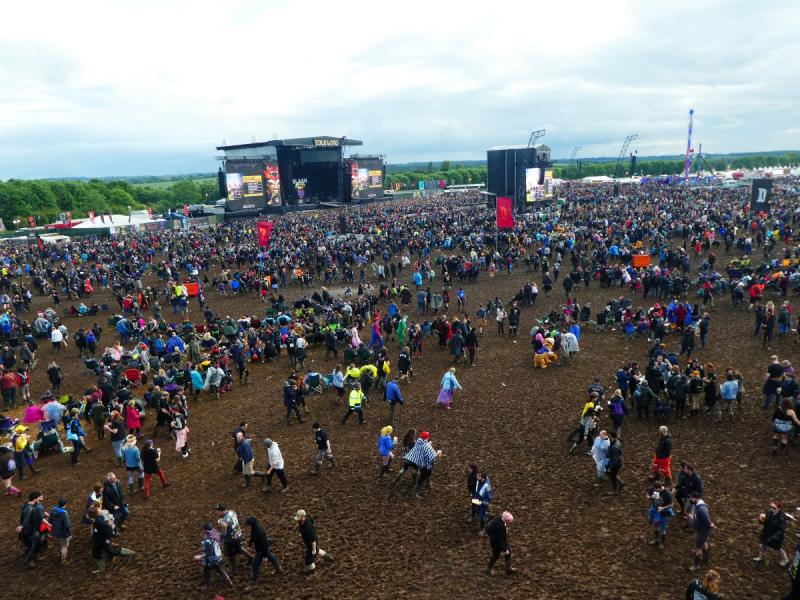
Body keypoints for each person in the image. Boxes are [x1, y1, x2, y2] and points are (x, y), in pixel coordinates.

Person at [91, 505, 134, 573]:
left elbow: (108, 530)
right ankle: (101, 567)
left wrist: (108, 538)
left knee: (111, 551)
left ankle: (129, 553)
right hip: (99, 540)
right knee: (96, 552)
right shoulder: (97, 520)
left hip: (103, 540)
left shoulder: (98, 521)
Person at [244, 516, 281, 588]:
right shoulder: (254, 528)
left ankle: (255, 582)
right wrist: (249, 545)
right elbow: (252, 536)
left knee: (255, 566)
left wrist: (264, 556)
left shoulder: (260, 532)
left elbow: (265, 544)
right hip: (260, 548)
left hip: (262, 550)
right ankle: (278, 569)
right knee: (272, 558)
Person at [215, 503, 253, 573]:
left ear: (222, 511)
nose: (216, 512)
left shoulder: (223, 521)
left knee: (230, 554)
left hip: (231, 539)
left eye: (218, 511)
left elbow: (224, 534)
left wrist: (218, 534)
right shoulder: (232, 512)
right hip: (238, 534)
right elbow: (234, 515)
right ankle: (250, 557)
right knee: (238, 548)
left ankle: (234, 569)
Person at [295, 509, 333, 574]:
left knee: (308, 561)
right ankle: (328, 557)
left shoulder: (308, 527)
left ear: (303, 517)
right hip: (311, 542)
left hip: (312, 543)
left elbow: (313, 540)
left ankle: (313, 572)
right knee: (317, 549)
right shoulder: (303, 521)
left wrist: (313, 550)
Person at [198, 522, 233, 591]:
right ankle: (229, 581)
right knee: (220, 569)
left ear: (205, 530)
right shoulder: (215, 533)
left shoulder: (208, 540)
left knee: (206, 571)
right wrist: (224, 528)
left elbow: (210, 552)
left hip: (212, 559)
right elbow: (223, 535)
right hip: (219, 556)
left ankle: (208, 585)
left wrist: (200, 556)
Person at [753, 500, 789, 565]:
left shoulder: (781, 518)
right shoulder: (769, 512)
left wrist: (772, 538)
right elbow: (765, 521)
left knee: (778, 549)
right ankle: (760, 557)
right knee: (762, 545)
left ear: (779, 509)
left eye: (774, 508)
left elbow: (781, 531)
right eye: (771, 507)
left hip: (776, 537)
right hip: (766, 533)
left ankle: (785, 559)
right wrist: (761, 520)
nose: (772, 509)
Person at [17, 490, 46, 567]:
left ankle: (34, 557)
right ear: (35, 499)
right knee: (35, 544)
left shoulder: (27, 505)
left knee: (35, 543)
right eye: (39, 498)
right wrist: (22, 526)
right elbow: (26, 519)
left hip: (31, 529)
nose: (40, 499)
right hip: (30, 530)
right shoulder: (29, 508)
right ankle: (29, 560)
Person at [484, 511, 517, 576]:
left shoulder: (499, 519)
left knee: (509, 551)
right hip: (496, 543)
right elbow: (499, 540)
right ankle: (488, 569)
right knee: (496, 556)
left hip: (498, 541)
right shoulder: (500, 527)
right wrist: (505, 549)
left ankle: (508, 568)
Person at [689, 492, 715, 571]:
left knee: (698, 548)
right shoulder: (697, 505)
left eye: (692, 498)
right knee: (703, 542)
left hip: (703, 530)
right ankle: (706, 558)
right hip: (701, 529)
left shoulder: (701, 508)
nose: (690, 499)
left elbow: (706, 519)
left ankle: (696, 565)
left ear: (697, 498)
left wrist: (710, 524)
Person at [647, 481, 674, 549]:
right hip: (655, 510)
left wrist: (663, 508)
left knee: (662, 528)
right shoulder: (653, 489)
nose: (655, 491)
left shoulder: (667, 493)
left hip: (663, 512)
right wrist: (649, 496)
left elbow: (671, 504)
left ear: (660, 488)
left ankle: (662, 543)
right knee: (655, 525)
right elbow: (647, 495)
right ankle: (656, 539)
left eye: (657, 490)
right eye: (654, 489)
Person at [49, 497, 72, 565]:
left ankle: (62, 553)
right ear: (65, 504)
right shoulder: (64, 513)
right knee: (64, 546)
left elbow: (50, 521)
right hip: (63, 532)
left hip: (55, 531)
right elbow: (67, 525)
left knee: (62, 543)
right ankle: (63, 560)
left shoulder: (53, 510)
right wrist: (69, 533)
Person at [606, 430, 624, 496]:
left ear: (610, 436)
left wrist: (610, 467)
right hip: (618, 461)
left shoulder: (614, 447)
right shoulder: (617, 441)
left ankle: (615, 491)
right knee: (613, 474)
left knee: (613, 476)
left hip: (616, 463)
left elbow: (615, 459)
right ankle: (621, 483)